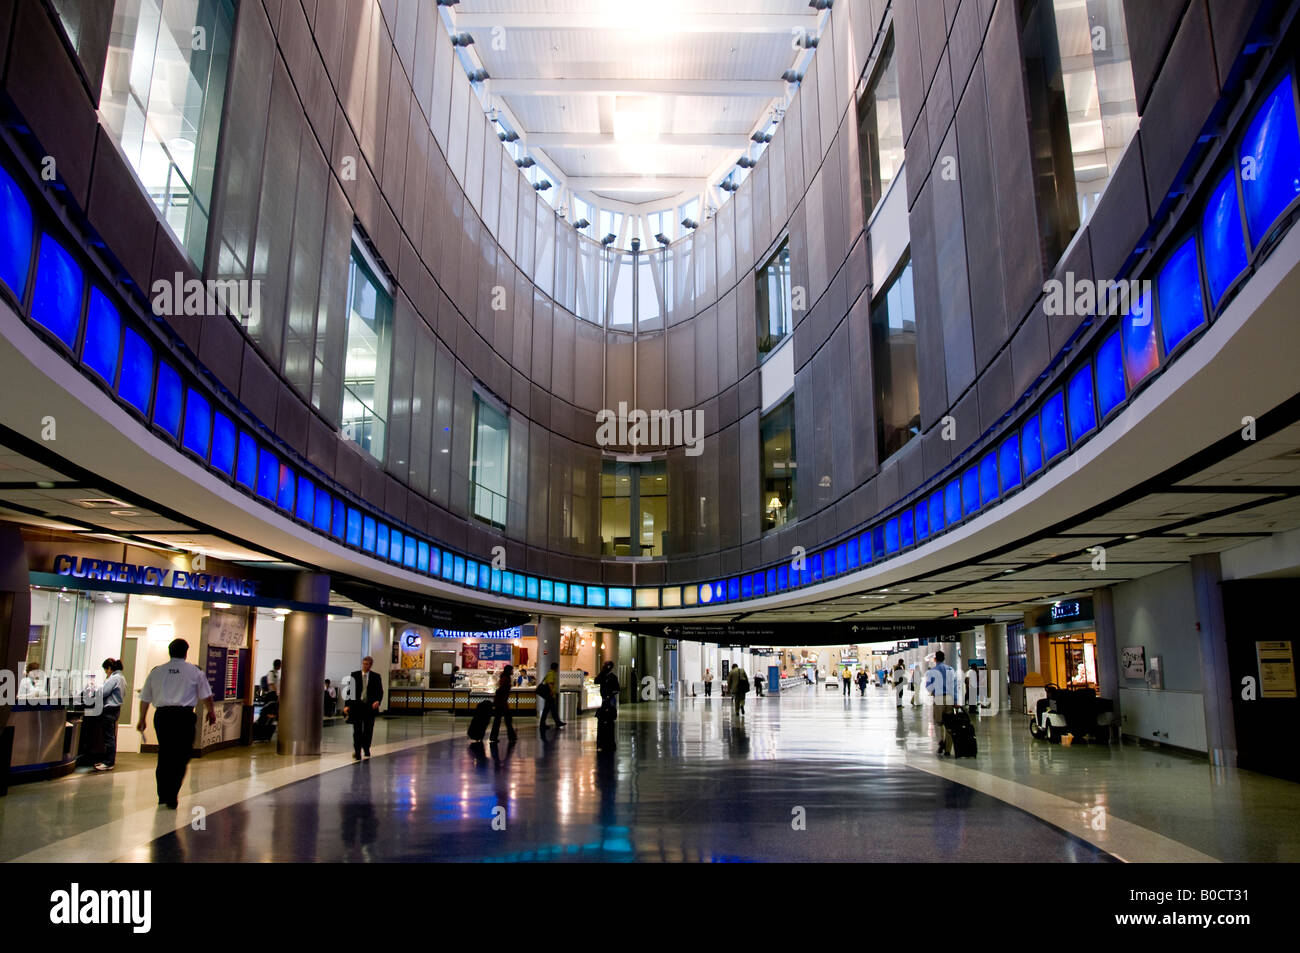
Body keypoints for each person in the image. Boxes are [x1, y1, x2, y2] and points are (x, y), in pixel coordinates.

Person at [136, 638, 216, 809]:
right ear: (186, 652)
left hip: (162, 717)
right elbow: (206, 695)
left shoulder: (157, 671)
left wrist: (142, 718)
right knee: (182, 755)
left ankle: (163, 795)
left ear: (169, 651)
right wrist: (211, 711)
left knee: (165, 754)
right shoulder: (194, 672)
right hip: (183, 717)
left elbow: (145, 698)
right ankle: (172, 793)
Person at [345, 656, 383, 759]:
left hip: (369, 707)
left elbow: (380, 691)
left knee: (368, 730)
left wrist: (377, 701)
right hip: (357, 706)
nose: (365, 666)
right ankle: (357, 752)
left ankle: (366, 748)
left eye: (368, 664)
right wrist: (347, 705)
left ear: (371, 665)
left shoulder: (376, 677)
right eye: (364, 664)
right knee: (357, 730)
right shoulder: (355, 675)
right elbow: (350, 691)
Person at [93, 658, 125, 771]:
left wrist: (93, 692)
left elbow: (103, 692)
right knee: (111, 736)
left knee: (109, 737)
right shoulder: (121, 677)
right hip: (116, 709)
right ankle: (108, 761)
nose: (106, 673)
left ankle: (108, 762)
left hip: (109, 709)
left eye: (106, 671)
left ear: (110, 668)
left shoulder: (114, 678)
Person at [926, 651, 958, 756]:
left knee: (938, 723)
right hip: (949, 698)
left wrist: (934, 691)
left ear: (935, 659)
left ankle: (940, 742)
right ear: (944, 658)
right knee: (950, 724)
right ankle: (948, 749)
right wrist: (955, 701)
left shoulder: (933, 671)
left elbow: (928, 686)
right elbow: (954, 686)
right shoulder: (951, 670)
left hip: (938, 698)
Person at [594, 661, 620, 752]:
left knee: (609, 723)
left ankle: (609, 743)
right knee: (601, 722)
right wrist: (602, 672)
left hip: (609, 701)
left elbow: (617, 689)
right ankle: (601, 743)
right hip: (603, 701)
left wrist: (609, 696)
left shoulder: (613, 677)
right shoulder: (602, 676)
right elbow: (596, 681)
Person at [489, 665, 517, 744]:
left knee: (498, 720)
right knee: (506, 720)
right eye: (512, 670)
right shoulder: (506, 678)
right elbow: (502, 690)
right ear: (509, 670)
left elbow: (499, 689)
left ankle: (494, 737)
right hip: (502, 702)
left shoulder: (504, 677)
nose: (513, 671)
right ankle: (511, 736)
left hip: (500, 702)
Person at [538, 661, 565, 729]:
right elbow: (550, 683)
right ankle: (543, 724)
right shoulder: (551, 674)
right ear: (555, 668)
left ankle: (557, 722)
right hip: (550, 695)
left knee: (552, 710)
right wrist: (552, 692)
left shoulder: (551, 673)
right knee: (548, 710)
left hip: (550, 695)